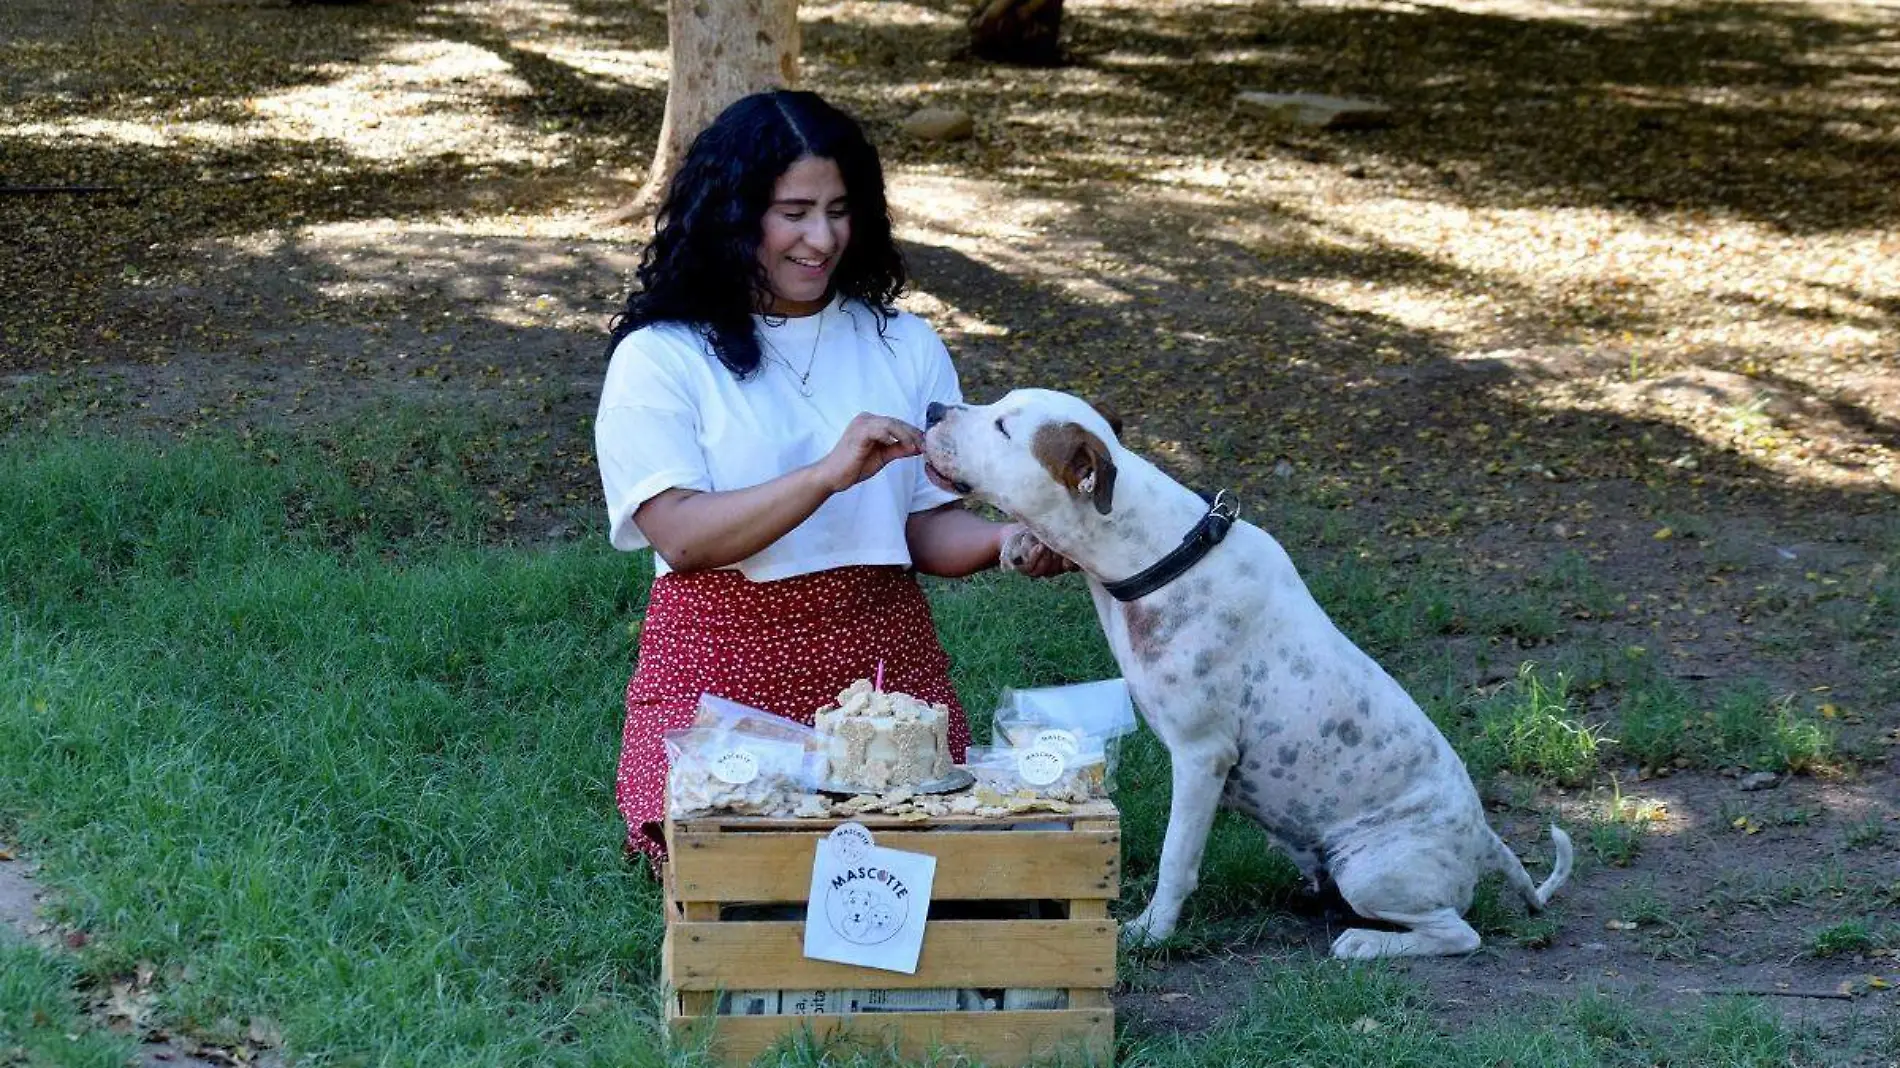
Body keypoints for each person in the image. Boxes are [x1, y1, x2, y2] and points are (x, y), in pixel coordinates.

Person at [595, 89, 1070, 866]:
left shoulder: (903, 343)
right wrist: (825, 475)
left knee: (922, 869)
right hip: (717, 660)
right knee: (741, 872)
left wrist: (1007, 541)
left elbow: (923, 527)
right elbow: (680, 538)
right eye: (794, 212)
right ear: (734, 212)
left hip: (883, 679)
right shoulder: (662, 355)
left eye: (841, 210)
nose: (822, 238)